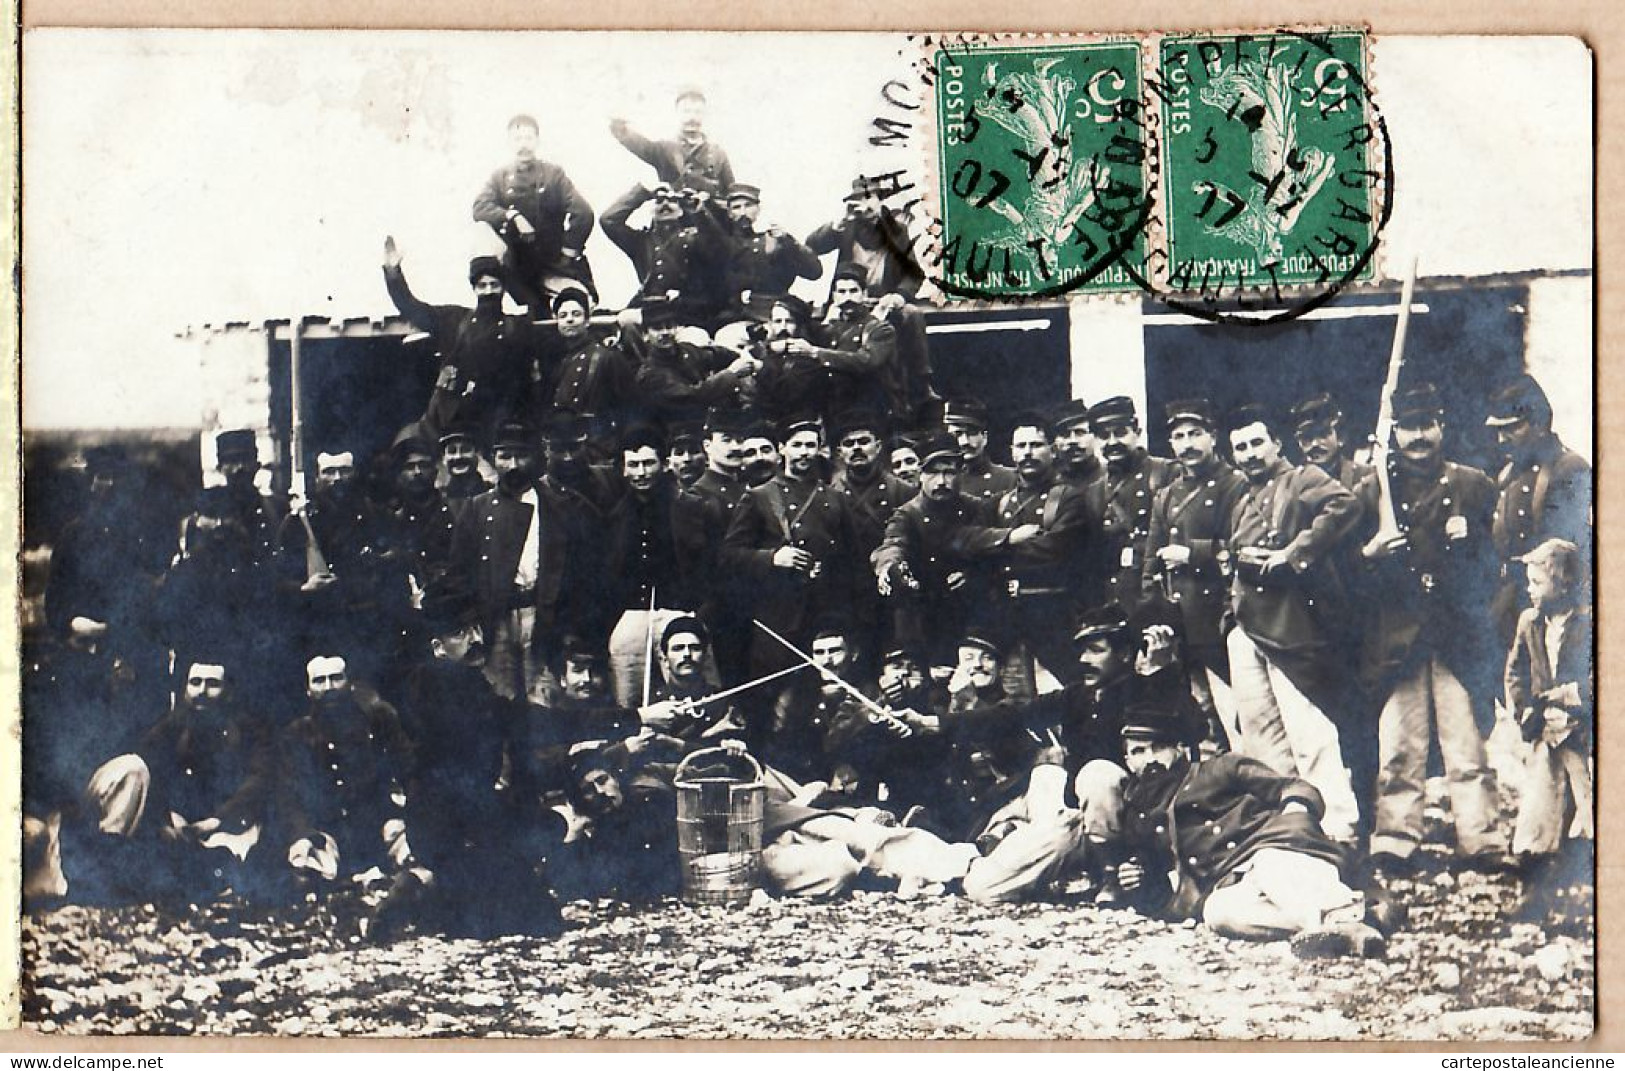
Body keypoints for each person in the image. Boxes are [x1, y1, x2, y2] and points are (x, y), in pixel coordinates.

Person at [1103, 676, 1396, 959]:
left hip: (1276, 848)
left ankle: (1340, 916)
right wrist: (1138, 879)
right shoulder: (1140, 815)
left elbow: (1293, 786)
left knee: (1271, 865)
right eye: (1139, 752)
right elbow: (1159, 884)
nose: (1151, 758)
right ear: (1128, 762)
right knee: (1218, 913)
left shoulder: (1220, 768)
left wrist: (1295, 809)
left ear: (1179, 749)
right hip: (1232, 880)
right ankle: (1351, 923)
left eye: (1159, 747)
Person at [1355, 383, 1509, 874]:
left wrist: (1473, 542)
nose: (1418, 436)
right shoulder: (1374, 489)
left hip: (1453, 634)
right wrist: (1373, 551)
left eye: (1426, 424)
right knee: (1400, 746)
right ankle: (1397, 839)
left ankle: (1481, 838)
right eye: (1408, 426)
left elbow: (1497, 564)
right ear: (1393, 432)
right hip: (1398, 637)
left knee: (1465, 744)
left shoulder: (1474, 485)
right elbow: (1348, 570)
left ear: (1442, 426)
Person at [1224, 406, 1362, 842]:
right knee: (1261, 732)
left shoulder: (1302, 478)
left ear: (1276, 444)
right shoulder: (1239, 497)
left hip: (1292, 624)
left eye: (1256, 443)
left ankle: (1338, 824)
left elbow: (1345, 504)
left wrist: (1294, 553)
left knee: (1309, 728)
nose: (1249, 454)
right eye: (1240, 447)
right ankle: (1282, 822)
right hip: (1247, 626)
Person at [68, 657, 279, 906]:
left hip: (229, 823)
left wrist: (218, 819)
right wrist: (167, 819)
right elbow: (147, 773)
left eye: (212, 684)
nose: (201, 691)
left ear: (227, 692)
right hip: (182, 826)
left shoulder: (249, 731)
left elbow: (260, 780)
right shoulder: (172, 727)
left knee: (235, 863)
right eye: (195, 682)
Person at [1141, 398, 1248, 747]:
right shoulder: (1167, 495)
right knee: (1199, 716)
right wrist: (1152, 612)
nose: (1187, 444)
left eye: (1195, 433)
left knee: (1237, 714)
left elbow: (1240, 546)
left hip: (1218, 618)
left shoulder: (1236, 484)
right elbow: (1151, 561)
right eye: (1179, 436)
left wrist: (1193, 554)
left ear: (1213, 437)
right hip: (1180, 623)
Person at [723, 415, 863, 677]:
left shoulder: (835, 498)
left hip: (823, 615)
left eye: (811, 446)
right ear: (782, 449)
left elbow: (852, 560)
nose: (804, 452)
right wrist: (773, 558)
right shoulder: (759, 497)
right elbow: (730, 556)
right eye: (797, 445)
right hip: (777, 616)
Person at [444, 422, 565, 700]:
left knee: (543, 698)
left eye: (520, 456)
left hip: (541, 615)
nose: (513, 465)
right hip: (496, 618)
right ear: (493, 459)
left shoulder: (556, 506)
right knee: (501, 699)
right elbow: (459, 572)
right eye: (504, 456)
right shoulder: (477, 508)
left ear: (534, 458)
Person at [1504, 538, 1592, 907]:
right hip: (1546, 724)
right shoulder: (1530, 622)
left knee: (1585, 787)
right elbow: (1516, 672)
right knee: (1541, 789)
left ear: (1565, 585)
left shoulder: (1588, 623)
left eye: (1537, 583)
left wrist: (1573, 697)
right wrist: (1525, 708)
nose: (1529, 590)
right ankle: (1533, 856)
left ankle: (1586, 856)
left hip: (1581, 725)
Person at [279, 654, 414, 890]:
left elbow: (407, 768)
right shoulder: (298, 734)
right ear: (308, 690)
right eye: (319, 681)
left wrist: (403, 814)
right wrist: (303, 834)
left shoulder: (378, 721)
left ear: (349, 684)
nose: (329, 687)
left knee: (412, 853)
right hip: (328, 829)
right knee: (305, 865)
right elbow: (288, 792)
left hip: (379, 823)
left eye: (335, 679)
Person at [383, 242, 540, 444]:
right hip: (455, 421)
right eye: (482, 286)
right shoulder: (454, 319)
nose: (488, 291)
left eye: (495, 285)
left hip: (499, 422)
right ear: (474, 289)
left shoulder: (516, 327)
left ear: (503, 289)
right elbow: (412, 308)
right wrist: (393, 272)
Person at [873, 431, 1000, 667]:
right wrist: (890, 567)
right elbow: (892, 544)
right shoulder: (907, 514)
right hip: (922, 618)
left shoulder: (976, 508)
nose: (941, 481)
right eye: (933, 472)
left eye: (949, 471)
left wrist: (972, 575)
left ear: (961, 473)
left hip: (968, 617)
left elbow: (993, 556)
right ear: (921, 474)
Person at [1484, 374, 1592, 647]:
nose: (1501, 439)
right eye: (1498, 430)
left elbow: (1570, 555)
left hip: (1548, 608)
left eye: (1511, 428)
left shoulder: (1569, 468)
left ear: (1540, 423)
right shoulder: (1509, 474)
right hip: (1509, 606)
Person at [604, 425, 701, 706]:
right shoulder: (615, 515)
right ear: (623, 469)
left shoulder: (692, 507)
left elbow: (709, 567)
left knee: (689, 698)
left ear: (664, 465)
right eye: (633, 465)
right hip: (631, 617)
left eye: (648, 463)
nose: (641, 472)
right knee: (630, 698)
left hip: (679, 613)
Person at [471, 113, 596, 311]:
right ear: (509, 143)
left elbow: (583, 213)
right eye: (517, 139)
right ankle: (490, 300)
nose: (523, 145)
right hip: (516, 269)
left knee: (580, 305)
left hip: (552, 265)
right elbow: (479, 207)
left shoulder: (553, 174)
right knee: (482, 229)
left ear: (537, 141)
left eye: (528, 138)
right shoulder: (500, 177)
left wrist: (568, 252)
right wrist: (513, 216)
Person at [1088, 395, 1178, 614]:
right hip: (1116, 599)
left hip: (1159, 594)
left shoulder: (1166, 473)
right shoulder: (1095, 492)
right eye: (1103, 436)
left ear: (1137, 432)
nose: (1112, 442)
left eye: (1120, 433)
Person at [601, 182, 731, 328]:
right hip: (650, 312)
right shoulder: (641, 242)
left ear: (682, 209)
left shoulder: (695, 239)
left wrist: (698, 210)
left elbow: (718, 248)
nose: (665, 204)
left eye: (672, 201)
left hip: (686, 316)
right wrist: (642, 193)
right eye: (659, 201)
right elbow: (608, 220)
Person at [545, 287, 640, 451]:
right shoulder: (555, 360)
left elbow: (630, 407)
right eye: (563, 316)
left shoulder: (608, 357)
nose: (570, 320)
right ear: (557, 322)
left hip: (599, 446)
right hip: (562, 446)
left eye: (576, 314)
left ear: (587, 321)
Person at [719, 182, 821, 327]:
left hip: (775, 312)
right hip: (735, 315)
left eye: (748, 206)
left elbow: (814, 272)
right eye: (737, 207)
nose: (743, 212)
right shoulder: (722, 242)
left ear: (758, 209)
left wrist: (788, 241)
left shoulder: (776, 240)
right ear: (729, 213)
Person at [609, 86, 736, 197]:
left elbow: (731, 193)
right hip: (672, 218)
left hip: (707, 221)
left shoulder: (718, 153)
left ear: (704, 114)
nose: (692, 117)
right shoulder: (664, 149)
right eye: (687, 111)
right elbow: (638, 144)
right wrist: (619, 125)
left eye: (697, 112)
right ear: (678, 113)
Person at [211, 428, 285, 565]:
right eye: (231, 461)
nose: (239, 467)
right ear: (220, 468)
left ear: (257, 465)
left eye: (245, 460)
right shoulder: (210, 512)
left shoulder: (276, 508)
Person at [1290, 393, 1372, 491]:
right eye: (1307, 438)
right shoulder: (1293, 486)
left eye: (1322, 434)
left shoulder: (1364, 475)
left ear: (1340, 437)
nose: (1315, 444)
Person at [943, 398, 1017, 504]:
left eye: (971, 433)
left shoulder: (1009, 479)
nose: (964, 442)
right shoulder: (942, 482)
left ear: (984, 437)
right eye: (957, 434)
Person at [436, 420, 492, 520]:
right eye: (452, 451)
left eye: (465, 450)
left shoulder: (491, 494)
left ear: (478, 454)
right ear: (444, 458)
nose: (458, 457)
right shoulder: (437, 500)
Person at [1049, 398, 1105, 491]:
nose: (1073, 441)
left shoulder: (1109, 477)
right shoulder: (1049, 484)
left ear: (1095, 436)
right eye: (1065, 434)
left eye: (1080, 433)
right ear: (1055, 443)